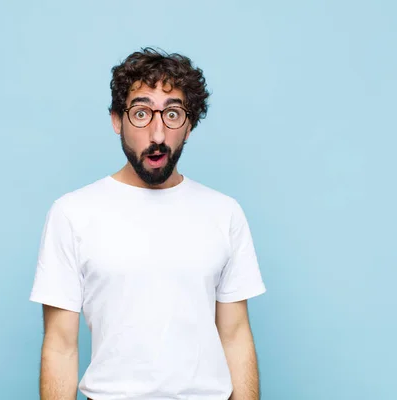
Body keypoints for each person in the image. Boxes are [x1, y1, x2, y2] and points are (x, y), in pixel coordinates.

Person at [29, 47, 266, 400]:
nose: (157, 135)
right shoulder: (72, 213)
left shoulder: (224, 212)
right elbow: (61, 346)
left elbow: (235, 336)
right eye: (141, 113)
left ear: (189, 127)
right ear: (116, 120)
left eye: (172, 114)